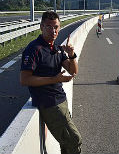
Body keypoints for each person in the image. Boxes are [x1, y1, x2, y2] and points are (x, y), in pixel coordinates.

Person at [20, 11, 82, 154]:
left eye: (56, 27)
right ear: (41, 27)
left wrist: (72, 55)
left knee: (66, 143)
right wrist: (55, 79)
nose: (53, 31)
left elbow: (73, 71)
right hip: (49, 103)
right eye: (49, 27)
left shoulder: (57, 49)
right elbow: (25, 79)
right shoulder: (34, 49)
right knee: (74, 139)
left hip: (61, 99)